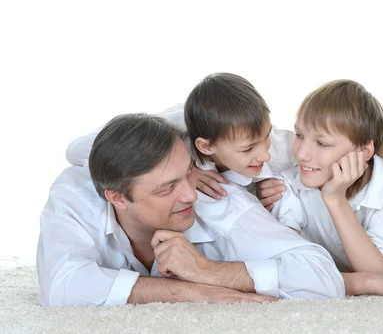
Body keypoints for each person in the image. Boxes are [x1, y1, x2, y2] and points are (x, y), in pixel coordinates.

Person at [37, 113, 345, 307]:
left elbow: (322, 277)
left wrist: (205, 270)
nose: (189, 194)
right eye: (167, 187)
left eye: (188, 172)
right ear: (117, 198)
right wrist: (192, 291)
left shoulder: (216, 197)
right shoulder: (74, 193)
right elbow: (62, 286)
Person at [260, 79, 383, 297]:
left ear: (364, 152)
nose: (302, 153)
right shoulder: (287, 179)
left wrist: (335, 199)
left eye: (322, 143)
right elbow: (291, 272)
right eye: (299, 135)